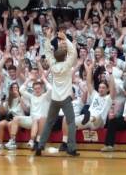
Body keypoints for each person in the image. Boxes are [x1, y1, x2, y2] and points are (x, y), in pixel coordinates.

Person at [36, 28, 79, 156]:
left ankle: (40, 146)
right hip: (65, 98)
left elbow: (47, 52)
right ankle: (71, 148)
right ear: (65, 57)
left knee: (49, 122)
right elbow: (73, 53)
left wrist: (48, 38)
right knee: (71, 122)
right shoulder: (67, 65)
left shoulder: (53, 65)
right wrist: (65, 39)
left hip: (55, 98)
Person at [0, 83, 27, 150]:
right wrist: (1, 103)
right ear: (11, 90)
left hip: (19, 119)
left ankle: (13, 143)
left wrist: (19, 97)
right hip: (10, 118)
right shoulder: (9, 99)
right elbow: (3, 112)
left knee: (10, 124)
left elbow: (26, 110)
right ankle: (0, 144)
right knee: (1, 123)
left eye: (16, 88)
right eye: (13, 88)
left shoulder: (23, 97)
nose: (15, 89)